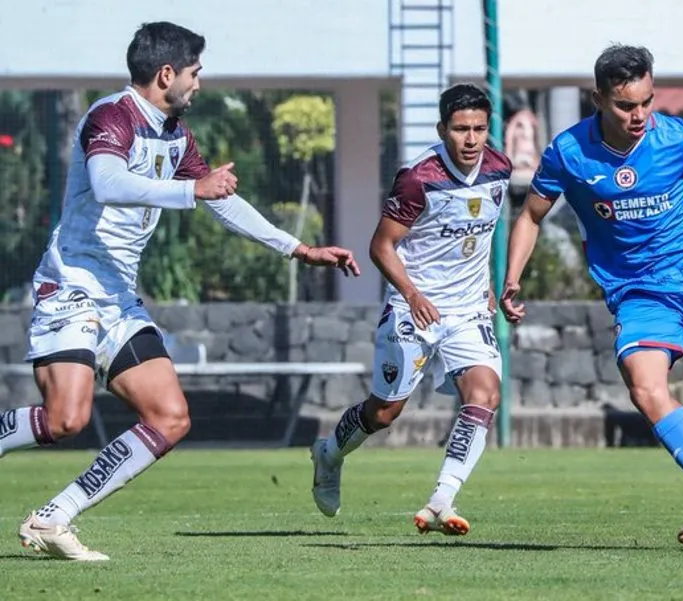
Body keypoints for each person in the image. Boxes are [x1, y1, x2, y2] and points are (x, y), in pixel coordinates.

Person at [0, 21, 359, 561]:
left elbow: (220, 200)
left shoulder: (174, 134)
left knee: (170, 417)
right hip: (70, 285)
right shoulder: (111, 116)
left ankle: (55, 517)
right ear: (166, 74)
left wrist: (297, 248)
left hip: (119, 298)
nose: (199, 84)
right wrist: (192, 187)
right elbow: (107, 183)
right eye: (195, 73)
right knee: (64, 420)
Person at [501, 44, 683, 546]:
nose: (640, 114)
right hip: (637, 292)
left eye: (647, 101)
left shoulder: (677, 137)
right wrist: (513, 275)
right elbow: (532, 215)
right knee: (643, 385)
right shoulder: (568, 152)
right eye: (627, 105)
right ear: (599, 98)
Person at [310, 83, 510, 536]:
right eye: (461, 129)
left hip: (467, 312)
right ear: (443, 129)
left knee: (484, 395)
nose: (472, 139)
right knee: (384, 414)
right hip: (412, 305)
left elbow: (483, 234)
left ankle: (442, 499)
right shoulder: (418, 178)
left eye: (480, 128)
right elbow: (381, 245)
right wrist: (414, 294)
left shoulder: (500, 169)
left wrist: (490, 284)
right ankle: (329, 453)